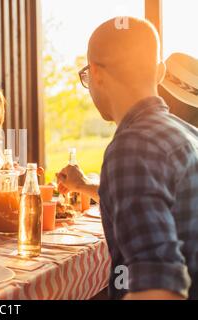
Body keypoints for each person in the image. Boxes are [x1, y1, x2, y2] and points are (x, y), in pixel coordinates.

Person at [59, 17, 198, 300]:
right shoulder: (188, 134)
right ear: (159, 72)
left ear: (95, 73)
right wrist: (86, 185)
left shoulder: (132, 147)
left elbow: (158, 290)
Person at [57, 52, 198, 200]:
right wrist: (83, 184)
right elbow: (134, 197)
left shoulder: (147, 143)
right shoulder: (186, 141)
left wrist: (83, 185)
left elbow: (131, 205)